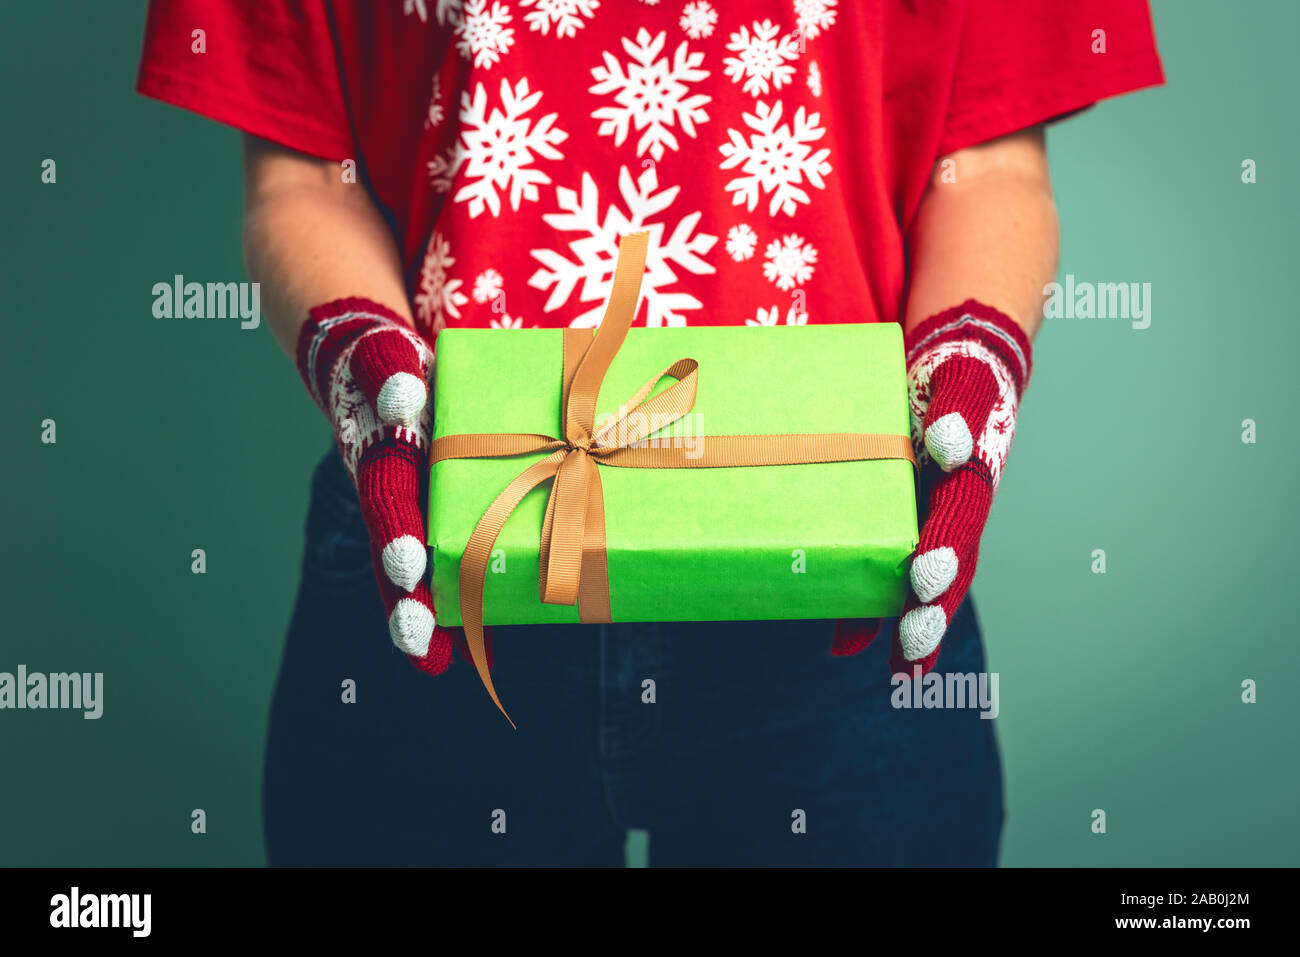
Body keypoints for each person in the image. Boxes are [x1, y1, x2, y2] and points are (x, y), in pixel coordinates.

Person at [138, 0, 1163, 866]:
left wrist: (971, 358)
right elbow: (307, 177)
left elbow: (983, 165)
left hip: (839, 583)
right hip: (440, 567)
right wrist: (356, 353)